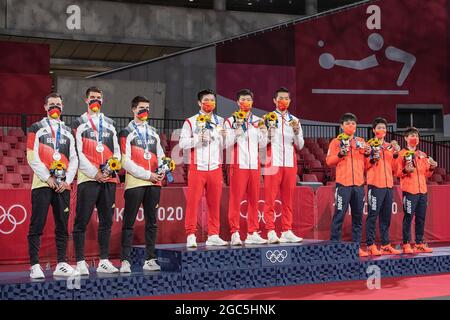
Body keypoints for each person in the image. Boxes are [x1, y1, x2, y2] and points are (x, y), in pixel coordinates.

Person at [27, 92, 78, 279]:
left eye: (58, 104)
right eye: (51, 104)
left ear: (62, 107)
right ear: (45, 107)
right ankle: (34, 265)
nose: (55, 106)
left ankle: (61, 263)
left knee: (62, 226)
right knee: (37, 225)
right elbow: (31, 155)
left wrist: (66, 181)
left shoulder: (67, 132)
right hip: (42, 184)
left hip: (62, 187)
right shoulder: (36, 128)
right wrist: (48, 178)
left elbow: (74, 159)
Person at [72, 86, 121, 274]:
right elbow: (78, 151)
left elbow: (116, 150)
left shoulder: (110, 123)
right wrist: (95, 173)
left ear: (103, 100)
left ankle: (104, 260)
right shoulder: (79, 123)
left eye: (98, 97)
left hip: (108, 179)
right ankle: (80, 262)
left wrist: (109, 169)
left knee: (107, 221)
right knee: (81, 221)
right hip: (88, 179)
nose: (95, 100)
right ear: (86, 100)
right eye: (92, 97)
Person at [118, 96, 165, 272]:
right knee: (129, 222)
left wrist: (162, 169)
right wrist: (148, 174)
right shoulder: (126, 132)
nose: (145, 111)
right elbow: (124, 161)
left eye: (147, 108)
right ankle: (125, 261)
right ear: (133, 109)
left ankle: (150, 259)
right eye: (141, 108)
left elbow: (161, 154)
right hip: (135, 183)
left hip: (154, 183)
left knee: (152, 223)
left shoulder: (153, 131)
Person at [179, 89, 228, 247]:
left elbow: (225, 145)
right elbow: (182, 143)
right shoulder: (190, 122)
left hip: (215, 167)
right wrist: (197, 139)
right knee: (193, 202)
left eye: (212, 100)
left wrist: (227, 137)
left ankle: (213, 234)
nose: (210, 103)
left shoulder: (220, 121)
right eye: (206, 100)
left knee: (214, 203)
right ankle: (191, 234)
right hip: (197, 166)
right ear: (199, 103)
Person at [224, 89, 268, 245]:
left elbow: (262, 144)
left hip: (254, 165)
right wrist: (239, 129)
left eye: (248, 99)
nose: (246, 102)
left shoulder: (258, 121)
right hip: (238, 164)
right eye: (243, 99)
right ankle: (235, 232)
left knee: (254, 200)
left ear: (252, 102)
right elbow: (226, 143)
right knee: (235, 200)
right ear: (237, 102)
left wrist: (265, 131)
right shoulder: (230, 120)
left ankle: (252, 232)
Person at [262, 87, 304, 244]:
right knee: (270, 199)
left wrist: (295, 131)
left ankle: (287, 230)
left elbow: (300, 145)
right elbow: (261, 143)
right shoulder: (267, 118)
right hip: (273, 162)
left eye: (286, 98)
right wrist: (269, 133)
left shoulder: (295, 121)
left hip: (289, 163)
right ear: (274, 100)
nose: (283, 101)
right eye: (280, 98)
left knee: (288, 200)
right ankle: (271, 231)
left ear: (290, 101)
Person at [326, 113, 369, 257]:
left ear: (356, 126)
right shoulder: (336, 142)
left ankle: (356, 247)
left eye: (353, 123)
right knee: (339, 215)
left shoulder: (362, 142)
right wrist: (339, 155)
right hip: (343, 185)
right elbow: (329, 161)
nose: (351, 126)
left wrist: (369, 154)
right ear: (341, 126)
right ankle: (335, 247)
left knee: (358, 218)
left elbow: (368, 164)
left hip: (358, 185)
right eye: (347, 123)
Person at [396, 127, 437, 254]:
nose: (415, 138)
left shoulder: (423, 155)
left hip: (422, 191)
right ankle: (406, 243)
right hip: (409, 191)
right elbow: (397, 173)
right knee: (408, 218)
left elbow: (427, 174)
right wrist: (405, 170)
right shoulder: (401, 154)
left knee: (421, 218)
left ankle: (419, 243)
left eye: (417, 136)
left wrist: (432, 167)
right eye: (412, 135)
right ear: (406, 138)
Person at [364, 117, 401, 255]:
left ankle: (385, 244)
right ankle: (370, 245)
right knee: (373, 216)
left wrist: (396, 155)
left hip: (388, 186)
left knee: (386, 217)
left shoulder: (389, 147)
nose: (382, 130)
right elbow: (365, 165)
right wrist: (373, 157)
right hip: (375, 185)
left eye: (384, 128)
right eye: (379, 127)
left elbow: (395, 169)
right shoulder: (368, 145)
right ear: (374, 130)